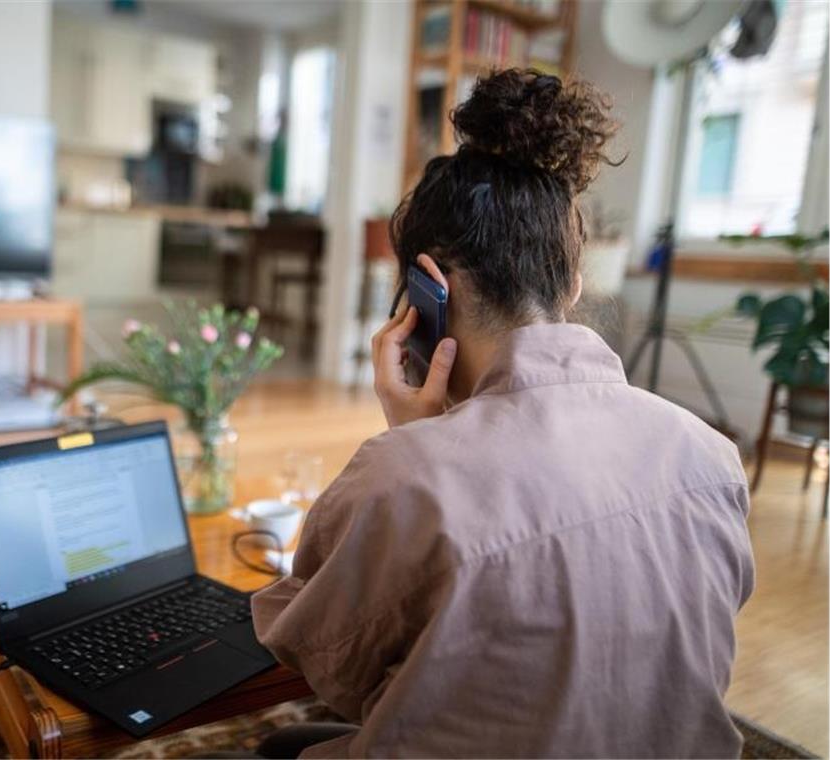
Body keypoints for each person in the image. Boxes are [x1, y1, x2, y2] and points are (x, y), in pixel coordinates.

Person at [249, 68, 755, 758]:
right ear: (573, 282)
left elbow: (318, 656)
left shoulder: (402, 478)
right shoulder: (711, 456)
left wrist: (419, 443)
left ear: (425, 287)